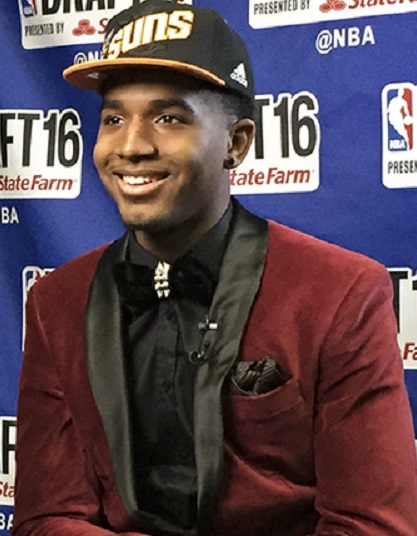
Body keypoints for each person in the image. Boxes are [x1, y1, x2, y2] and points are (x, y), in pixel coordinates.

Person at [12, 1, 417, 535]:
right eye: (114, 118)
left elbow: (372, 526)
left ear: (237, 142)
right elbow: (47, 517)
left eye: (169, 118)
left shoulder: (341, 292)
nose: (130, 146)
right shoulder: (55, 302)